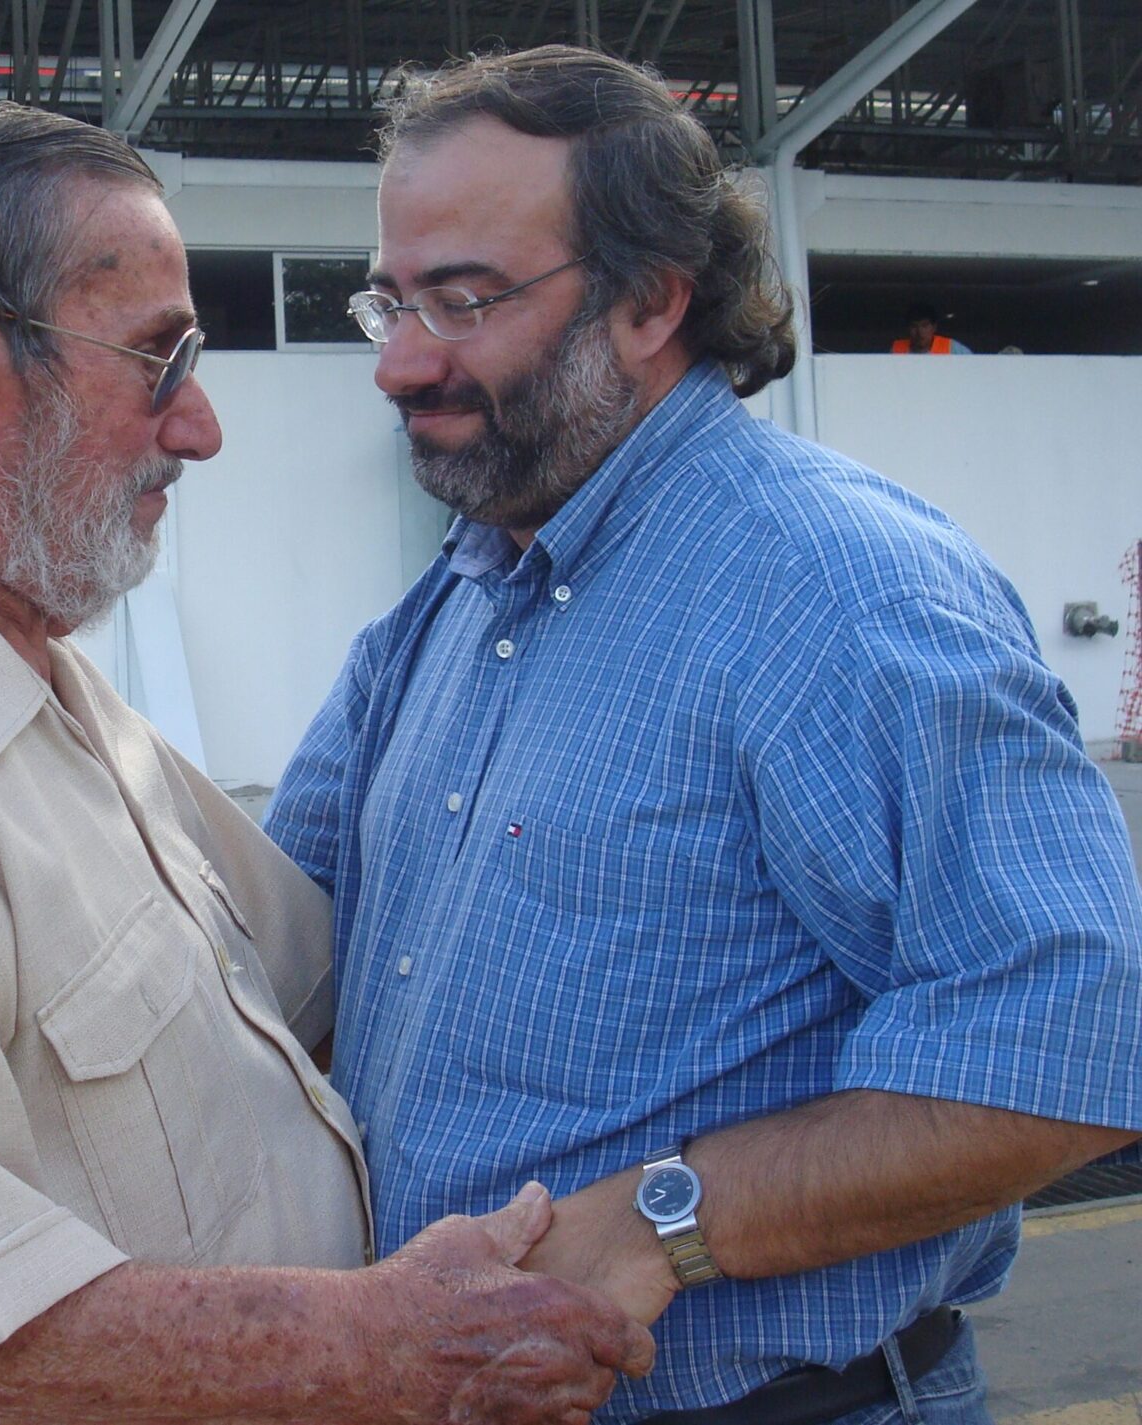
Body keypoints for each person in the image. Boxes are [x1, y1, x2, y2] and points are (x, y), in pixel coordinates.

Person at [0, 101, 653, 1425]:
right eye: (159, 360)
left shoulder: (34, 683)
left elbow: (330, 979)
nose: (202, 427)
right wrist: (387, 1343)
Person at [265, 45, 1142, 1425]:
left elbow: (1075, 1047)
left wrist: (664, 1218)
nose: (400, 362)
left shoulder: (837, 592)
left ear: (651, 301)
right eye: (389, 299)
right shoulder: (460, 590)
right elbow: (269, 945)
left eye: (465, 300)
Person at [893, 301, 972, 354]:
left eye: (925, 326)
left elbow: (972, 366)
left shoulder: (951, 347)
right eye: (914, 326)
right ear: (908, 328)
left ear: (934, 327)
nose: (919, 332)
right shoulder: (897, 349)